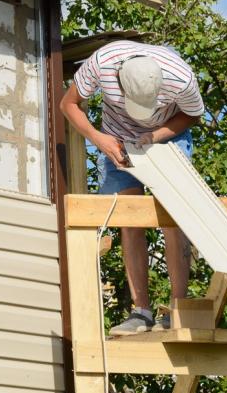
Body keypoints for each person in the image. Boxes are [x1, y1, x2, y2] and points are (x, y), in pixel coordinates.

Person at [59, 39, 205, 335]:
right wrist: (98, 138)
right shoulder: (102, 63)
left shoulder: (181, 77)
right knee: (129, 217)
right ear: (119, 83)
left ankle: (178, 308)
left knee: (173, 215)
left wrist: (156, 135)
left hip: (167, 137)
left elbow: (192, 114)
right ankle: (141, 312)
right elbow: (68, 104)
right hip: (116, 141)